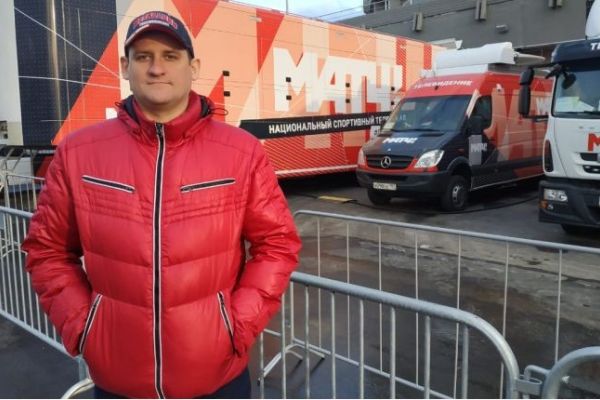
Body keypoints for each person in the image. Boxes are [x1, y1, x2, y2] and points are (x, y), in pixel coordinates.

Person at [22, 10, 301, 399]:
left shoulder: (241, 152)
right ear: (125, 67)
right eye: (143, 56)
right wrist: (83, 327)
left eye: (170, 56)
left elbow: (278, 245)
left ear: (193, 67)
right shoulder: (78, 152)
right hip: (119, 383)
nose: (156, 68)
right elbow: (47, 250)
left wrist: (237, 326)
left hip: (217, 381)